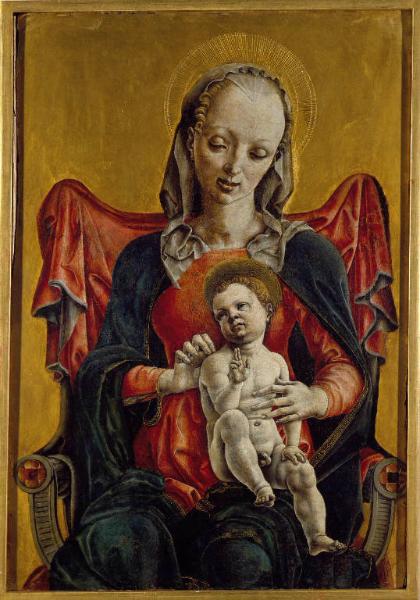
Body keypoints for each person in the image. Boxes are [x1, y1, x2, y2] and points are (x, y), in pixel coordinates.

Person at [50, 64, 377, 590]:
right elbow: (105, 372)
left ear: (276, 160)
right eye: (219, 144)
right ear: (190, 140)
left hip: (262, 474)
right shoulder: (147, 259)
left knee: (241, 564)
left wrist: (315, 398)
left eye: (258, 153)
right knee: (122, 549)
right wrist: (168, 379)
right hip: (159, 479)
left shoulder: (303, 257)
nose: (234, 169)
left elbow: (344, 365)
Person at [198, 258, 347, 555]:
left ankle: (317, 537)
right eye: (222, 315)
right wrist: (236, 383)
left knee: (303, 473)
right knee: (233, 418)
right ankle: (259, 487)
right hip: (230, 458)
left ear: (266, 311)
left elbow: (289, 407)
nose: (233, 317)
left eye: (241, 306)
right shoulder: (216, 363)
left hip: (270, 452)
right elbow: (224, 408)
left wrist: (290, 445)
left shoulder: (276, 362)